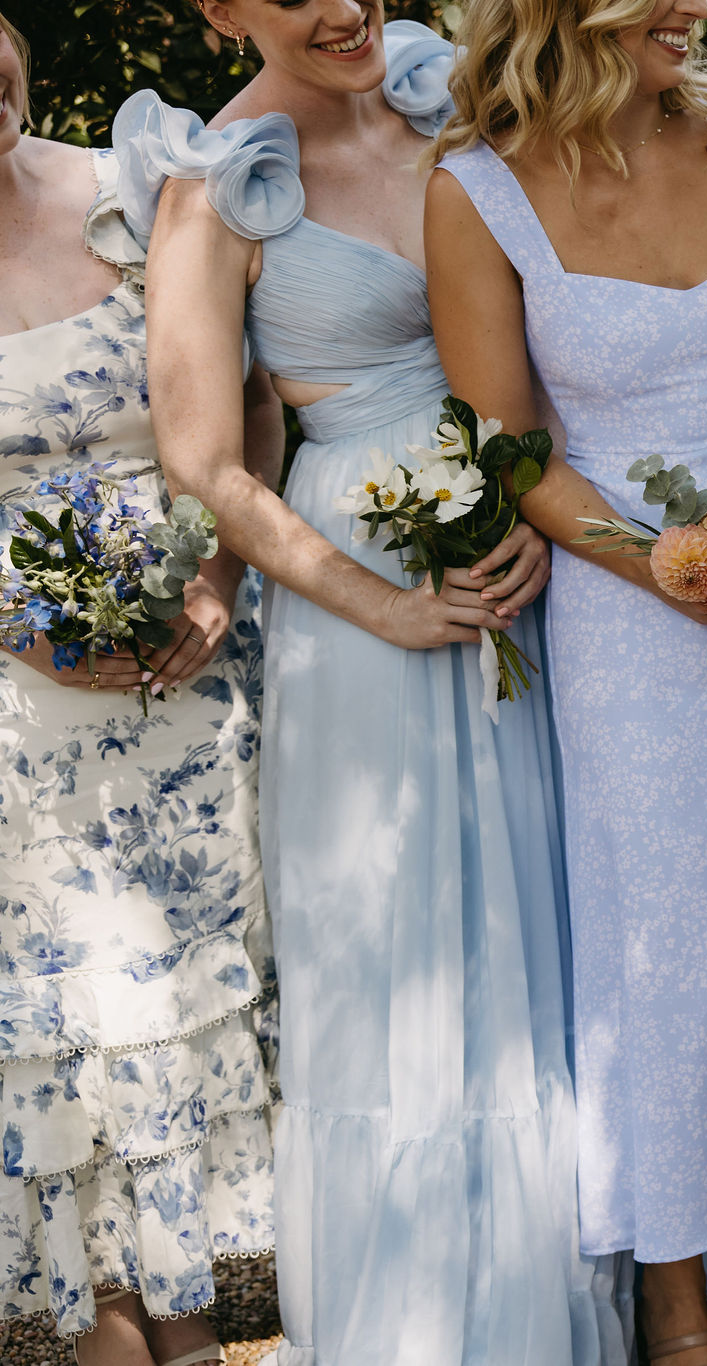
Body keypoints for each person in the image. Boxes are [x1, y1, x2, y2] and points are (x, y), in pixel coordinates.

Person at [122, 6, 623, 1362]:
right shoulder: (212, 181)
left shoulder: (453, 100)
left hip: (528, 562)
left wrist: (541, 495)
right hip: (360, 593)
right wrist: (385, 608)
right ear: (221, 11)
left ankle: (554, 1299)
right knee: (395, 948)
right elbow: (206, 462)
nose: (336, 5)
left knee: (535, 921)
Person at [425, 0, 707, 1361]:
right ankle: (671, 1288)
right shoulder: (474, 190)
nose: (696, 9)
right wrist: (662, 561)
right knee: (658, 949)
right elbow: (508, 450)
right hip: (627, 629)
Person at [0, 12, 277, 1365]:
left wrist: (218, 571)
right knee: (63, 1000)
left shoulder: (130, 190)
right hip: (18, 697)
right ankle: (108, 1306)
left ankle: (186, 1305)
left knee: (174, 993)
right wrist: (20, 622)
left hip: (184, 666)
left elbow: (249, 397)